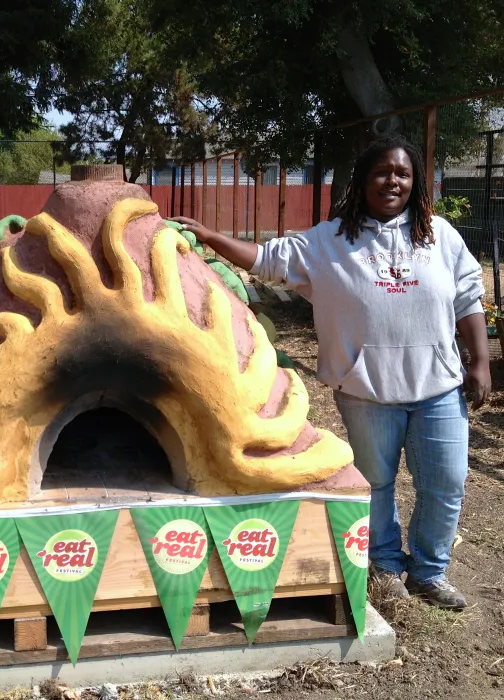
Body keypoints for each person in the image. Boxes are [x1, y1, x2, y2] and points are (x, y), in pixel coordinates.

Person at [172, 135, 491, 610]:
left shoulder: (439, 236)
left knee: (446, 482)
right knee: (376, 483)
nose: (393, 181)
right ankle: (385, 564)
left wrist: (480, 361)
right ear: (363, 180)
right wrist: (212, 236)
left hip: (438, 386)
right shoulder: (330, 241)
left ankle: (430, 570)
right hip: (365, 388)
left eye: (403, 173)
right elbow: (268, 260)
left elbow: (467, 297)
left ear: (415, 182)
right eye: (383, 172)